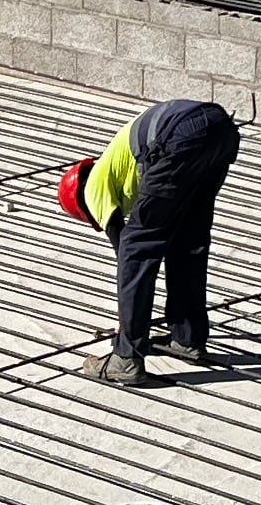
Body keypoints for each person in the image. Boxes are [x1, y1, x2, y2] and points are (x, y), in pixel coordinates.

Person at [59, 98, 244, 385]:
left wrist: (126, 326)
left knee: (136, 247)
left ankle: (126, 358)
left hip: (182, 135)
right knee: (187, 241)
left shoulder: (93, 188)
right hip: (220, 129)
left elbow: (128, 257)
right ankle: (187, 338)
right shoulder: (115, 166)